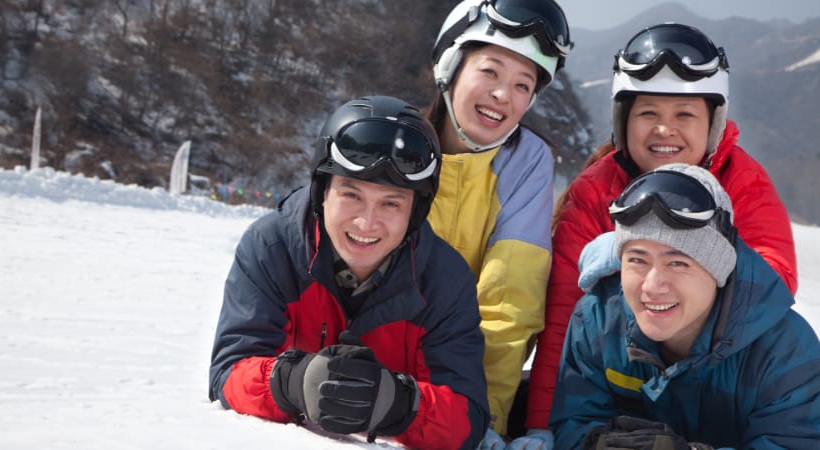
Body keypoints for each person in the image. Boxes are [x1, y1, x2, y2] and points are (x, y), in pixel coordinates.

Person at [514, 22, 799, 449]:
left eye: (684, 114)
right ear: (623, 121)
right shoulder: (597, 189)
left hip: (722, 386)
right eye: (648, 113)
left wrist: (643, 248)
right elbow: (564, 316)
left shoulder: (743, 182)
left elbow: (772, 282)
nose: (665, 130)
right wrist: (542, 427)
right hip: (627, 383)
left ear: (713, 124)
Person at [207, 95, 490, 450]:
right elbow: (229, 373)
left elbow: (467, 420)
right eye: (351, 195)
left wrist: (394, 403)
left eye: (391, 202)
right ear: (321, 192)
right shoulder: (273, 249)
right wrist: (294, 382)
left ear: (416, 212)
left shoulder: (445, 281)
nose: (366, 222)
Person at [549, 163, 820, 449]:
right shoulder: (598, 321)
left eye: (678, 263)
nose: (652, 286)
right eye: (637, 260)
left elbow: (795, 443)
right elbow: (573, 421)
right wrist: (597, 442)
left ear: (719, 271)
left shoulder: (783, 351)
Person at [424, 0, 573, 446]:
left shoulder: (525, 162)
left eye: (522, 85)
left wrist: (481, 417)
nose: (504, 95)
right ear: (451, 66)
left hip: (463, 389)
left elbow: (510, 304)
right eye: (489, 72)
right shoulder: (400, 144)